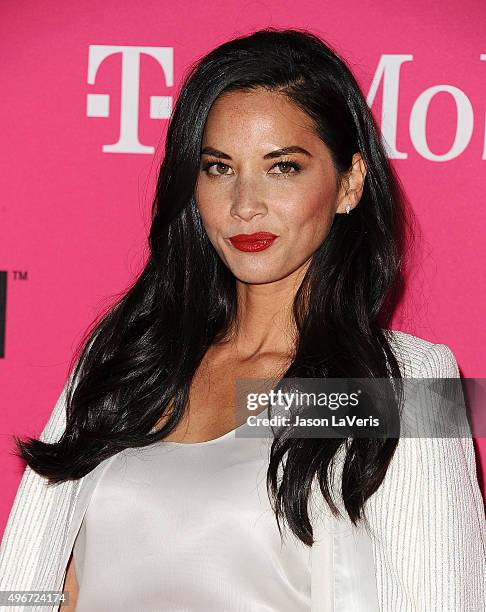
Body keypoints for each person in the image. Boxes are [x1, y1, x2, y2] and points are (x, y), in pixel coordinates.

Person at [1, 27, 485, 612]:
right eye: (219, 168)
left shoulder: (405, 382)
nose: (244, 204)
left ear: (349, 183)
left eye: (282, 167)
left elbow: (441, 600)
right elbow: (23, 582)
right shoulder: (128, 356)